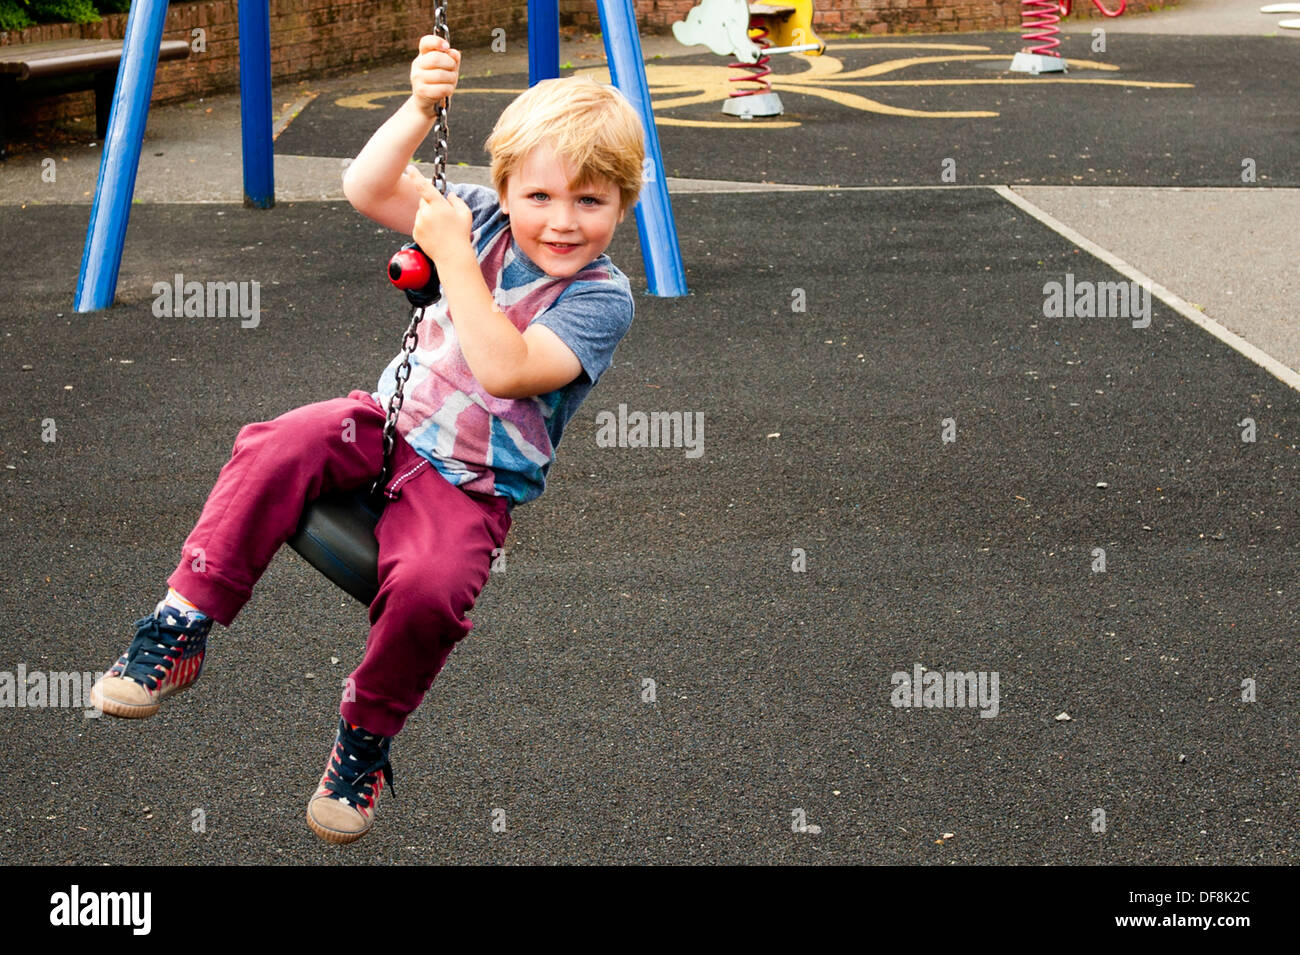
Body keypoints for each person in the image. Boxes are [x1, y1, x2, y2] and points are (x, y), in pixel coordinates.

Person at [90, 34, 646, 844]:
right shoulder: (479, 220)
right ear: (505, 189)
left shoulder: (601, 299)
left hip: (470, 485)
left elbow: (506, 367)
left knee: (432, 590)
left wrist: (452, 258)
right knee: (277, 442)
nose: (562, 222)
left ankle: (363, 743)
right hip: (383, 425)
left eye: (590, 203)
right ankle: (180, 624)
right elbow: (367, 184)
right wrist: (422, 108)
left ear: (623, 206)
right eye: (541, 197)